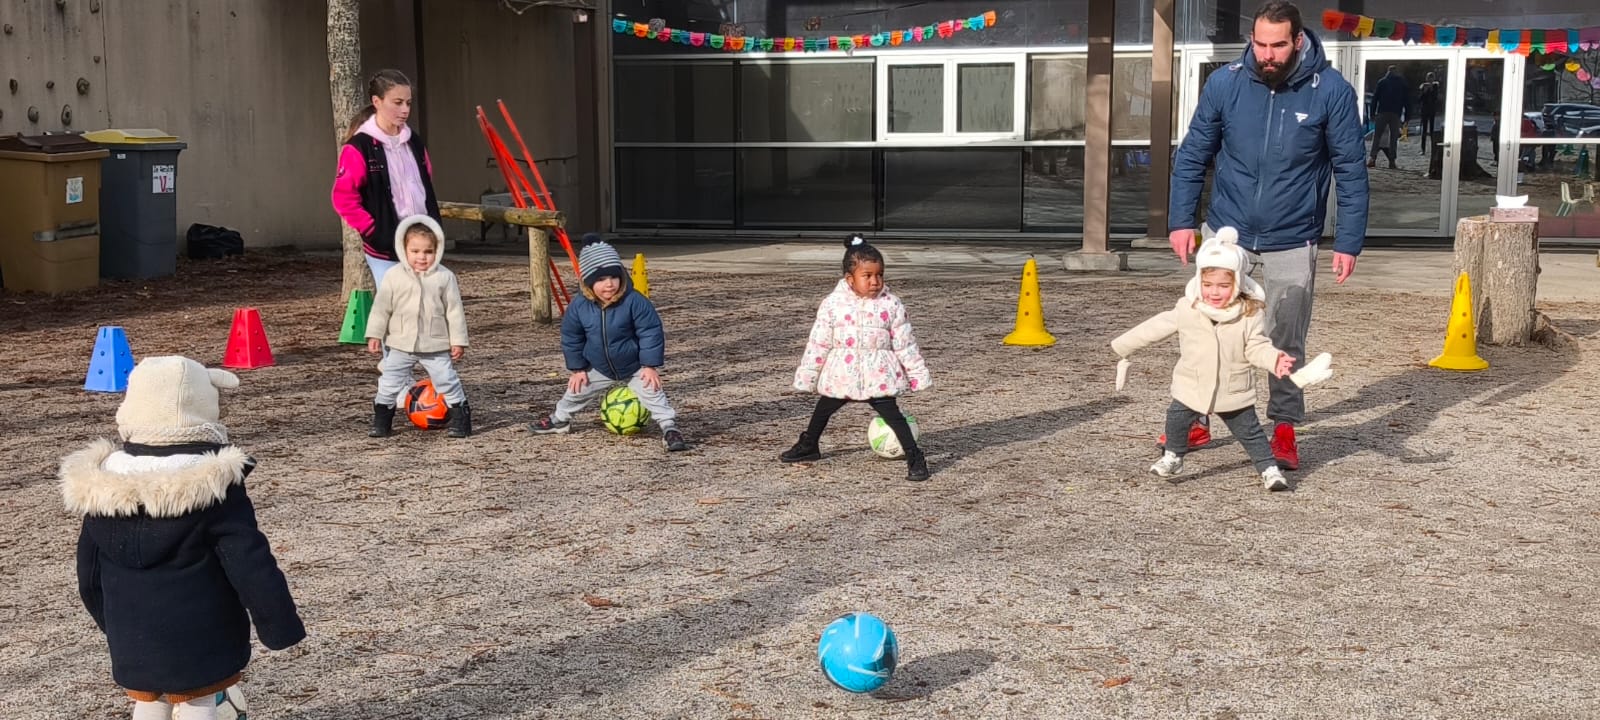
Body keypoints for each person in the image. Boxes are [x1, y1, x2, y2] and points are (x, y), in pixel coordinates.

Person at [1168, 0, 1368, 471]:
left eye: (1278, 45)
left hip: (1293, 237)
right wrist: (1180, 221)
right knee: (1210, 331)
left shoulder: (1331, 91)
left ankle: (1282, 427)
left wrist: (1350, 240)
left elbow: (1351, 170)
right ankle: (1197, 418)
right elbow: (1194, 153)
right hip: (1226, 233)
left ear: (1298, 40)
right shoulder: (1225, 83)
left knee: (1284, 338)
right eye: (1259, 44)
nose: (1267, 55)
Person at [60, 356, 305, 720]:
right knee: (197, 702)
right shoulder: (214, 488)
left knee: (148, 700)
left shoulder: (102, 490)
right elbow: (251, 564)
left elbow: (89, 574)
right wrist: (278, 624)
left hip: (132, 632)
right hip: (204, 631)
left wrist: (111, 622)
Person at [1114, 232, 1306, 491]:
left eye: (1223, 286)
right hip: (1192, 386)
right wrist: (1124, 345)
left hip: (1232, 388)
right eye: (1208, 284)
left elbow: (1257, 347)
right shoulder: (1188, 308)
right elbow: (1157, 326)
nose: (1214, 292)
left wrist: (1274, 360)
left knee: (1250, 433)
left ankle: (1269, 470)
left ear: (1237, 284)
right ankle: (1173, 456)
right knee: (1176, 419)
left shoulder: (1249, 314)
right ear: (1199, 281)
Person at [781, 235, 933, 481]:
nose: (875, 281)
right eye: (868, 276)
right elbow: (818, 343)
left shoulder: (892, 305)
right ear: (849, 279)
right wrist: (808, 375)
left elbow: (906, 344)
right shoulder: (832, 305)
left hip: (878, 375)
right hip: (843, 374)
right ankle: (809, 445)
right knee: (824, 408)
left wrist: (917, 374)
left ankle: (915, 456)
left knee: (893, 414)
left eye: (879, 275)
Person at [529, 234, 691, 452]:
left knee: (653, 393)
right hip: (599, 366)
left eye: (614, 277)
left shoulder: (635, 301)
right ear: (588, 282)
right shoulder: (579, 307)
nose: (609, 284)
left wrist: (649, 366)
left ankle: (669, 428)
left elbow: (650, 332)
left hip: (634, 366)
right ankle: (559, 420)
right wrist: (578, 368)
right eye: (601, 279)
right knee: (576, 391)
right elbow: (571, 337)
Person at [331, 69, 440, 290]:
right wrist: (373, 229)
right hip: (385, 246)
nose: (405, 110)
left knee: (427, 307)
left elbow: (425, 180)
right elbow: (343, 198)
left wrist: (433, 224)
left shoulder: (414, 142)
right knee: (399, 308)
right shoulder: (359, 147)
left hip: (422, 240)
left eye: (408, 103)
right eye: (397, 102)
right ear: (377, 101)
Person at [366, 215, 472, 438]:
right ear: (403, 249)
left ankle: (460, 418)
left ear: (438, 250)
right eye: (415, 251)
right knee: (389, 382)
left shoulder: (445, 277)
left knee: (447, 380)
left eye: (428, 251)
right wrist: (374, 334)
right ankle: (381, 420)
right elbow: (381, 307)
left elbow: (454, 311)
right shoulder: (393, 276)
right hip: (400, 343)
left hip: (435, 344)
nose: (422, 257)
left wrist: (458, 340)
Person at [1369, 64, 1409, 169]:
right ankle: (1392, 161)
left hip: (1382, 111)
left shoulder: (1382, 82)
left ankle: (1372, 158)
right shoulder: (1402, 83)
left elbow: (1375, 98)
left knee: (1377, 136)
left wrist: (1372, 113)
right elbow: (1407, 100)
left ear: (1388, 71)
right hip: (1396, 112)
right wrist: (1407, 116)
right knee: (1393, 138)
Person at [1417, 72, 1440, 154]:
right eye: (1429, 78)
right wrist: (1425, 91)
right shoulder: (1423, 86)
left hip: (1432, 110)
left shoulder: (1435, 86)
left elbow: (1436, 98)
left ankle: (1433, 149)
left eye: (1432, 78)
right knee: (1424, 130)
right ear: (1426, 78)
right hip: (1424, 110)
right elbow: (1419, 99)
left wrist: (1431, 89)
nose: (1430, 80)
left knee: (1432, 130)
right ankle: (1423, 149)